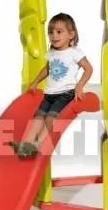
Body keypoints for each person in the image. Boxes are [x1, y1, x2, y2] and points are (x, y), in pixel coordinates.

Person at [9, 12, 93, 157]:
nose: (54, 36)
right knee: (38, 118)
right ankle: (26, 144)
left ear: (71, 35)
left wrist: (79, 86)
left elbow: (89, 69)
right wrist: (35, 82)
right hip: (49, 94)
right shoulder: (52, 52)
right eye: (51, 32)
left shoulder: (74, 52)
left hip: (65, 94)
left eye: (59, 32)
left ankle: (37, 145)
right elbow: (47, 69)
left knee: (50, 118)